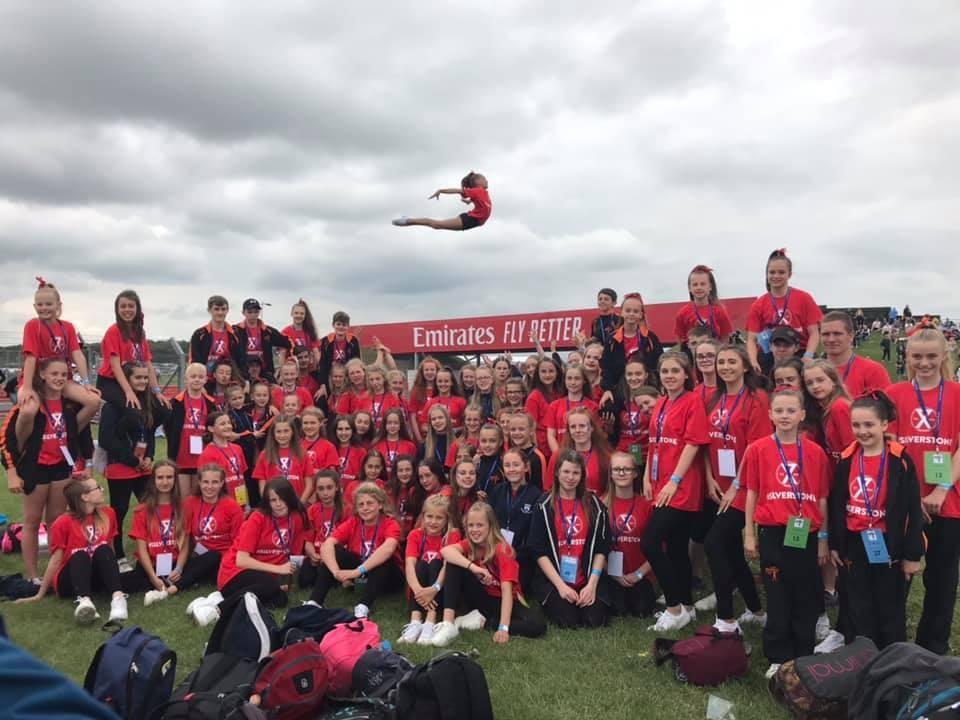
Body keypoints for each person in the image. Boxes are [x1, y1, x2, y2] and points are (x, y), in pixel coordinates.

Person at [742, 386, 832, 679]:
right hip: (773, 532)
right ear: (770, 414)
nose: (784, 416)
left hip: (806, 533)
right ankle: (778, 655)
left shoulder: (815, 453)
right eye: (779, 410)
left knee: (805, 593)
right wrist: (750, 533)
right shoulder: (758, 449)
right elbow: (752, 493)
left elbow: (821, 499)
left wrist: (822, 540)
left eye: (791, 410)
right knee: (778, 593)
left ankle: (803, 651)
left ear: (802, 415)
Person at [884, 328, 960, 655]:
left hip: (948, 503)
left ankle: (932, 647)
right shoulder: (895, 393)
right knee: (898, 575)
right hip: (907, 502)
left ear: (944, 355)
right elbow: (888, 447)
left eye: (931, 356)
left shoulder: (957, 393)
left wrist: (943, 489)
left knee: (942, 581)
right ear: (907, 357)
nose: (924, 363)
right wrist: (912, 499)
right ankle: (892, 643)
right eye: (917, 356)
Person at [828, 392, 923, 648]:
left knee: (889, 606)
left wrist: (912, 555)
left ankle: (891, 658)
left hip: (889, 544)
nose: (862, 431)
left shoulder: (899, 460)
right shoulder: (847, 459)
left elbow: (913, 509)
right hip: (855, 543)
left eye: (869, 424)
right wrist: (835, 544)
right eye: (856, 425)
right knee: (857, 603)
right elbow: (837, 504)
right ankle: (859, 656)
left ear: (884, 424)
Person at [5, 357, 97, 583]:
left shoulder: (70, 405)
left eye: (63, 375)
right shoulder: (30, 403)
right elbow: (8, 439)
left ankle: (55, 571)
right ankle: (33, 575)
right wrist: (12, 471)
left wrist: (87, 463)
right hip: (35, 469)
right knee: (32, 522)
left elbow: (81, 431)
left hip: (60, 468)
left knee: (56, 521)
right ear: (42, 375)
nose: (58, 379)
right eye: (53, 374)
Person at [702, 345, 770, 632]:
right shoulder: (714, 397)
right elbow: (704, 441)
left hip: (744, 486)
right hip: (719, 485)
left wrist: (737, 486)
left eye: (732, 361)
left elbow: (756, 448)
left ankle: (726, 619)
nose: (725, 366)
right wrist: (709, 479)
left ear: (744, 366)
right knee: (730, 550)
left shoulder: (757, 399)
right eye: (721, 362)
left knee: (714, 543)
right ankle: (756, 610)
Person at [641, 352, 711, 631]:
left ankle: (674, 607)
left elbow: (694, 444)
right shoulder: (661, 403)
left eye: (675, 370)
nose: (669, 375)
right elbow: (654, 442)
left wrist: (674, 481)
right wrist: (647, 476)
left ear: (686, 374)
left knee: (650, 542)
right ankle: (687, 604)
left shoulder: (693, 401)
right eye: (665, 371)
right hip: (660, 482)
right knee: (677, 547)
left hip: (681, 486)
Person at [16, 477, 128, 625]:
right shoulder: (63, 522)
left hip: (95, 575)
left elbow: (110, 549)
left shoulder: (108, 514)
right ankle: (84, 601)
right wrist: (40, 594)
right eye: (98, 488)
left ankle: (118, 598)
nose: (102, 490)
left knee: (103, 549)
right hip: (70, 580)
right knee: (80, 554)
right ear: (85, 496)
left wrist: (112, 576)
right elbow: (56, 560)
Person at [433, 502, 547, 645]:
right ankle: (448, 624)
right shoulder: (470, 544)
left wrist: (503, 628)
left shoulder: (503, 549)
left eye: (480, 525)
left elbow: (506, 591)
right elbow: (446, 551)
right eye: (471, 525)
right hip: (481, 596)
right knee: (453, 561)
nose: (474, 530)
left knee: (538, 625)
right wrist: (474, 568)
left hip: (504, 599)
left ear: (491, 526)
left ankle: (484, 622)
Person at [528, 450, 610, 628]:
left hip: (586, 578)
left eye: (575, 472)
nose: (570, 477)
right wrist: (561, 587)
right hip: (556, 580)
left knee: (594, 621)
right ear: (557, 472)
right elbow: (538, 551)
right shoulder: (543, 505)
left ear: (582, 476)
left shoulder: (594, 505)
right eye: (566, 472)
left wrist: (592, 585)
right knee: (568, 621)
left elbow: (601, 549)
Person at [98, 360, 168, 569]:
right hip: (121, 466)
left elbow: (150, 432)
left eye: (146, 377)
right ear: (127, 380)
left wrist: (149, 457)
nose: (143, 381)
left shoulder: (148, 403)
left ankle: (153, 550)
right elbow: (106, 439)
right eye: (138, 377)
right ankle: (118, 556)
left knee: (151, 507)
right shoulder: (113, 407)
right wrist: (132, 460)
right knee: (119, 511)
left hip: (142, 467)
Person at [311, 482, 403, 619]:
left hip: (388, 578)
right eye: (361, 505)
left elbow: (388, 549)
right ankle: (314, 602)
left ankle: (363, 606)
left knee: (382, 559)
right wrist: (336, 572)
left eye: (370, 503)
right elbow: (327, 545)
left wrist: (356, 572)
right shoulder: (354, 522)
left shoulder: (390, 523)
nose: (365, 508)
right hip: (361, 573)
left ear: (380, 505)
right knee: (335, 550)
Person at [217, 477, 310, 608]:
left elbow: (291, 558)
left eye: (282, 498)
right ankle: (220, 607)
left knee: (281, 599)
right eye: (273, 500)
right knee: (270, 586)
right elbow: (241, 560)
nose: (278, 504)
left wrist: (285, 581)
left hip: (263, 577)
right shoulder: (258, 518)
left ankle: (240, 603)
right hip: (234, 573)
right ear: (267, 502)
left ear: (290, 498)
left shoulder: (296, 518)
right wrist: (278, 569)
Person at [19, 277, 100, 412]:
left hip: (61, 380)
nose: (44, 308)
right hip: (36, 380)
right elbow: (30, 358)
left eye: (49, 304)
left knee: (94, 401)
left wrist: (86, 383)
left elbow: (78, 355)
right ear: (34, 306)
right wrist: (27, 387)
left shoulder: (67, 327)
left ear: (58, 305)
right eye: (40, 305)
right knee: (28, 410)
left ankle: (71, 432)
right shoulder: (33, 325)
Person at [95, 289, 171, 424]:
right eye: (123, 306)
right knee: (134, 412)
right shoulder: (114, 331)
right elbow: (115, 366)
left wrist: (157, 391)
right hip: (111, 381)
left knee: (164, 409)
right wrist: (128, 392)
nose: (127, 310)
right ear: (117, 310)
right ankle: (119, 442)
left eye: (131, 306)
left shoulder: (139, 332)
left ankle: (146, 438)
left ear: (137, 308)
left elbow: (148, 364)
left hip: (133, 380)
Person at [180, 463, 244, 622]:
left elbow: (239, 541)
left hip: (223, 558)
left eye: (215, 482)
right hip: (199, 556)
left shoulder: (232, 506)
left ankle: (184, 583)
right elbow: (186, 536)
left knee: (214, 557)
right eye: (206, 482)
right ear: (199, 483)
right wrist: (180, 564)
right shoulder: (190, 503)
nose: (210, 487)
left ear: (222, 483)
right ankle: (197, 578)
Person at [122, 460, 190, 606]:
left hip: (174, 563)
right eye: (160, 478)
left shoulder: (183, 508)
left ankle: (170, 586)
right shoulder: (142, 510)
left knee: (209, 560)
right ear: (153, 480)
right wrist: (153, 577)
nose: (165, 482)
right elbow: (141, 550)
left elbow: (185, 545)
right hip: (151, 565)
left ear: (175, 480)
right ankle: (163, 584)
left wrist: (179, 568)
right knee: (119, 582)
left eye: (169, 477)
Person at [746, 249, 823, 375]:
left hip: (800, 353)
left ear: (789, 274)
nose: (776, 276)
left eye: (781, 272)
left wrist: (808, 355)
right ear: (767, 274)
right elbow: (751, 339)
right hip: (770, 355)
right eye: (772, 272)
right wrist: (753, 361)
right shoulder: (759, 304)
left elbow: (814, 333)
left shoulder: (804, 298)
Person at [398, 494, 460, 646]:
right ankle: (415, 621)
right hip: (418, 590)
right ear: (423, 516)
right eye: (429, 516)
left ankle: (430, 622)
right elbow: (409, 565)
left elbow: (447, 567)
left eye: (439, 518)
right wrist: (419, 591)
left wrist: (434, 589)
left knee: (435, 563)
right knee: (420, 564)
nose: (433, 522)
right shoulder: (415, 534)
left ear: (446, 519)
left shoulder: (452, 535)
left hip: (440, 589)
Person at [164, 363, 218, 498]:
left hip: (203, 458)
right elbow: (167, 427)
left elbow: (215, 428)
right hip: (181, 458)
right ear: (186, 378)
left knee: (198, 498)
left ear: (206, 379)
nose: (197, 379)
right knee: (183, 499)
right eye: (193, 376)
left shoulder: (210, 403)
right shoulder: (176, 402)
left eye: (201, 377)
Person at [599, 293, 664, 401]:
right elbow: (606, 367)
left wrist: (661, 386)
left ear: (641, 314)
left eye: (635, 311)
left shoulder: (650, 337)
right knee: (607, 409)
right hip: (619, 388)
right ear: (621, 313)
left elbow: (659, 363)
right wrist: (607, 389)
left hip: (647, 386)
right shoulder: (612, 339)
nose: (631, 314)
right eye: (628, 310)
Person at [821, 311, 891, 396]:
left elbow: (886, 407)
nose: (831, 339)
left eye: (837, 334)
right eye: (825, 334)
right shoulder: (812, 372)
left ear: (851, 336)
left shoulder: (873, 371)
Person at [392, 171, 492, 231]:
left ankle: (407, 220)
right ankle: (407, 220)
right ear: (477, 182)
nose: (487, 181)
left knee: (437, 225)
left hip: (474, 221)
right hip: (470, 220)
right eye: (485, 179)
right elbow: (457, 191)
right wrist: (441, 191)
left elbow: (480, 203)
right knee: (437, 225)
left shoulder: (482, 192)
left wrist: (469, 202)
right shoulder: (477, 191)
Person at [546, 407, 611, 495]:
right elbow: (549, 488)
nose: (577, 430)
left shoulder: (606, 457)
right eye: (573, 427)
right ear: (569, 431)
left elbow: (610, 491)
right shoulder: (558, 456)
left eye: (582, 426)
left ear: (592, 428)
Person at [252, 415, 316, 505]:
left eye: (286, 431)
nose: (282, 435)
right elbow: (262, 485)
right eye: (278, 432)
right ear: (273, 434)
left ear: (292, 432)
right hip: (275, 505)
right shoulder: (265, 454)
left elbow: (309, 484)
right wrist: (269, 504)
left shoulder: (301, 453)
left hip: (297, 503)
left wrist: (301, 503)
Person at [299, 469, 345, 590]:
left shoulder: (346, 509)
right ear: (316, 490)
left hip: (336, 555)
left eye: (329, 487)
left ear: (337, 487)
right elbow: (308, 541)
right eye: (321, 489)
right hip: (318, 555)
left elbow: (349, 543)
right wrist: (312, 554)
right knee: (304, 580)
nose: (325, 493)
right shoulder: (312, 510)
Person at [197, 411, 250, 509]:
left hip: (240, 501)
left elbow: (242, 478)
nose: (228, 426)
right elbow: (207, 484)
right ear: (211, 428)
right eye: (222, 424)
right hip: (220, 504)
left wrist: (246, 503)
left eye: (229, 423)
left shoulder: (237, 449)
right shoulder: (208, 453)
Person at [188, 295, 247, 380]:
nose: (220, 312)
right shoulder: (200, 334)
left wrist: (245, 380)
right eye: (216, 309)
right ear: (209, 310)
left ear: (227, 310)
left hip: (229, 380)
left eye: (223, 309)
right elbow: (194, 361)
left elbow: (242, 360)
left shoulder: (235, 334)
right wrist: (199, 382)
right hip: (205, 381)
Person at [233, 298, 291, 384]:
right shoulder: (236, 330)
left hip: (264, 372)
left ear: (259, 312)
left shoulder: (267, 331)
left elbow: (288, 343)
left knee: (276, 390)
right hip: (242, 373)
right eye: (249, 312)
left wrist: (281, 365)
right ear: (243, 312)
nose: (253, 315)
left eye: (256, 312)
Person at [673, 265, 733, 344]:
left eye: (703, 284)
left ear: (710, 287)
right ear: (689, 288)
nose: (699, 287)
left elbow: (725, 337)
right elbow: (680, 338)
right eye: (695, 284)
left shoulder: (719, 311)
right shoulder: (683, 313)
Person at [546, 365, 598, 454]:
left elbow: (594, 435)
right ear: (564, 381)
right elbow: (551, 435)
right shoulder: (554, 405)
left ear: (584, 381)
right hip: (561, 455)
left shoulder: (592, 406)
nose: (573, 382)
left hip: (584, 455)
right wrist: (558, 455)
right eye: (569, 378)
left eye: (577, 378)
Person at [524, 357, 564, 456]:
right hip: (543, 448)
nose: (547, 375)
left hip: (562, 443)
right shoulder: (534, 397)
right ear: (538, 374)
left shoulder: (562, 393)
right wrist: (537, 453)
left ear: (557, 373)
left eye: (551, 371)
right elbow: (531, 428)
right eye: (543, 371)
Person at [317, 311, 361, 388]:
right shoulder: (326, 340)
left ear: (348, 326)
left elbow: (357, 361)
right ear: (333, 325)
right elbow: (323, 364)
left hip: (347, 376)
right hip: (331, 376)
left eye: (344, 325)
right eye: (338, 324)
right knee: (321, 398)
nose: (341, 327)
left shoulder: (353, 341)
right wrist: (322, 384)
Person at [506, 411, 547, 490]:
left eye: (521, 429)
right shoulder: (509, 455)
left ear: (531, 431)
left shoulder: (537, 457)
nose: (516, 433)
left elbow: (541, 489)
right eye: (513, 429)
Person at [373, 408, 417, 480]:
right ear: (385, 424)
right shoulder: (377, 445)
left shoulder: (410, 446)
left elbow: (413, 469)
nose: (392, 426)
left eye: (396, 423)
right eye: (389, 423)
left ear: (401, 425)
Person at [279, 299, 321, 367]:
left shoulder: (310, 331)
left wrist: (321, 368)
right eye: (296, 313)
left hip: (308, 369)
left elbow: (316, 352)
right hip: (292, 370)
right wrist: (282, 371)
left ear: (305, 316)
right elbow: (282, 354)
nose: (299, 315)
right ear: (291, 314)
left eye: (302, 313)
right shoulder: (285, 332)